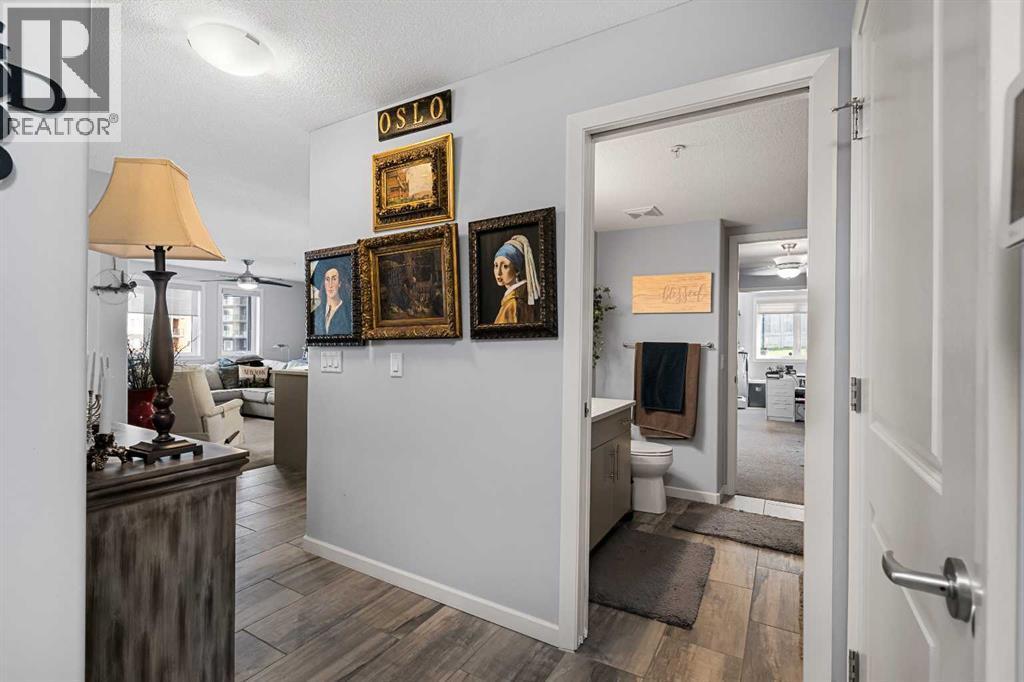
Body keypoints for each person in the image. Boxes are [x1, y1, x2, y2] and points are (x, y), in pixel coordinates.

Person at [492, 235, 540, 324]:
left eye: (505, 266)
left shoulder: (512, 303)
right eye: (496, 265)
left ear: (517, 270)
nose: (498, 272)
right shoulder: (520, 297)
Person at [313, 259, 352, 335]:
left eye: (334, 279)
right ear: (324, 284)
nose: (330, 285)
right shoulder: (317, 312)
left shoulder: (348, 311)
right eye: (327, 279)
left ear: (339, 283)